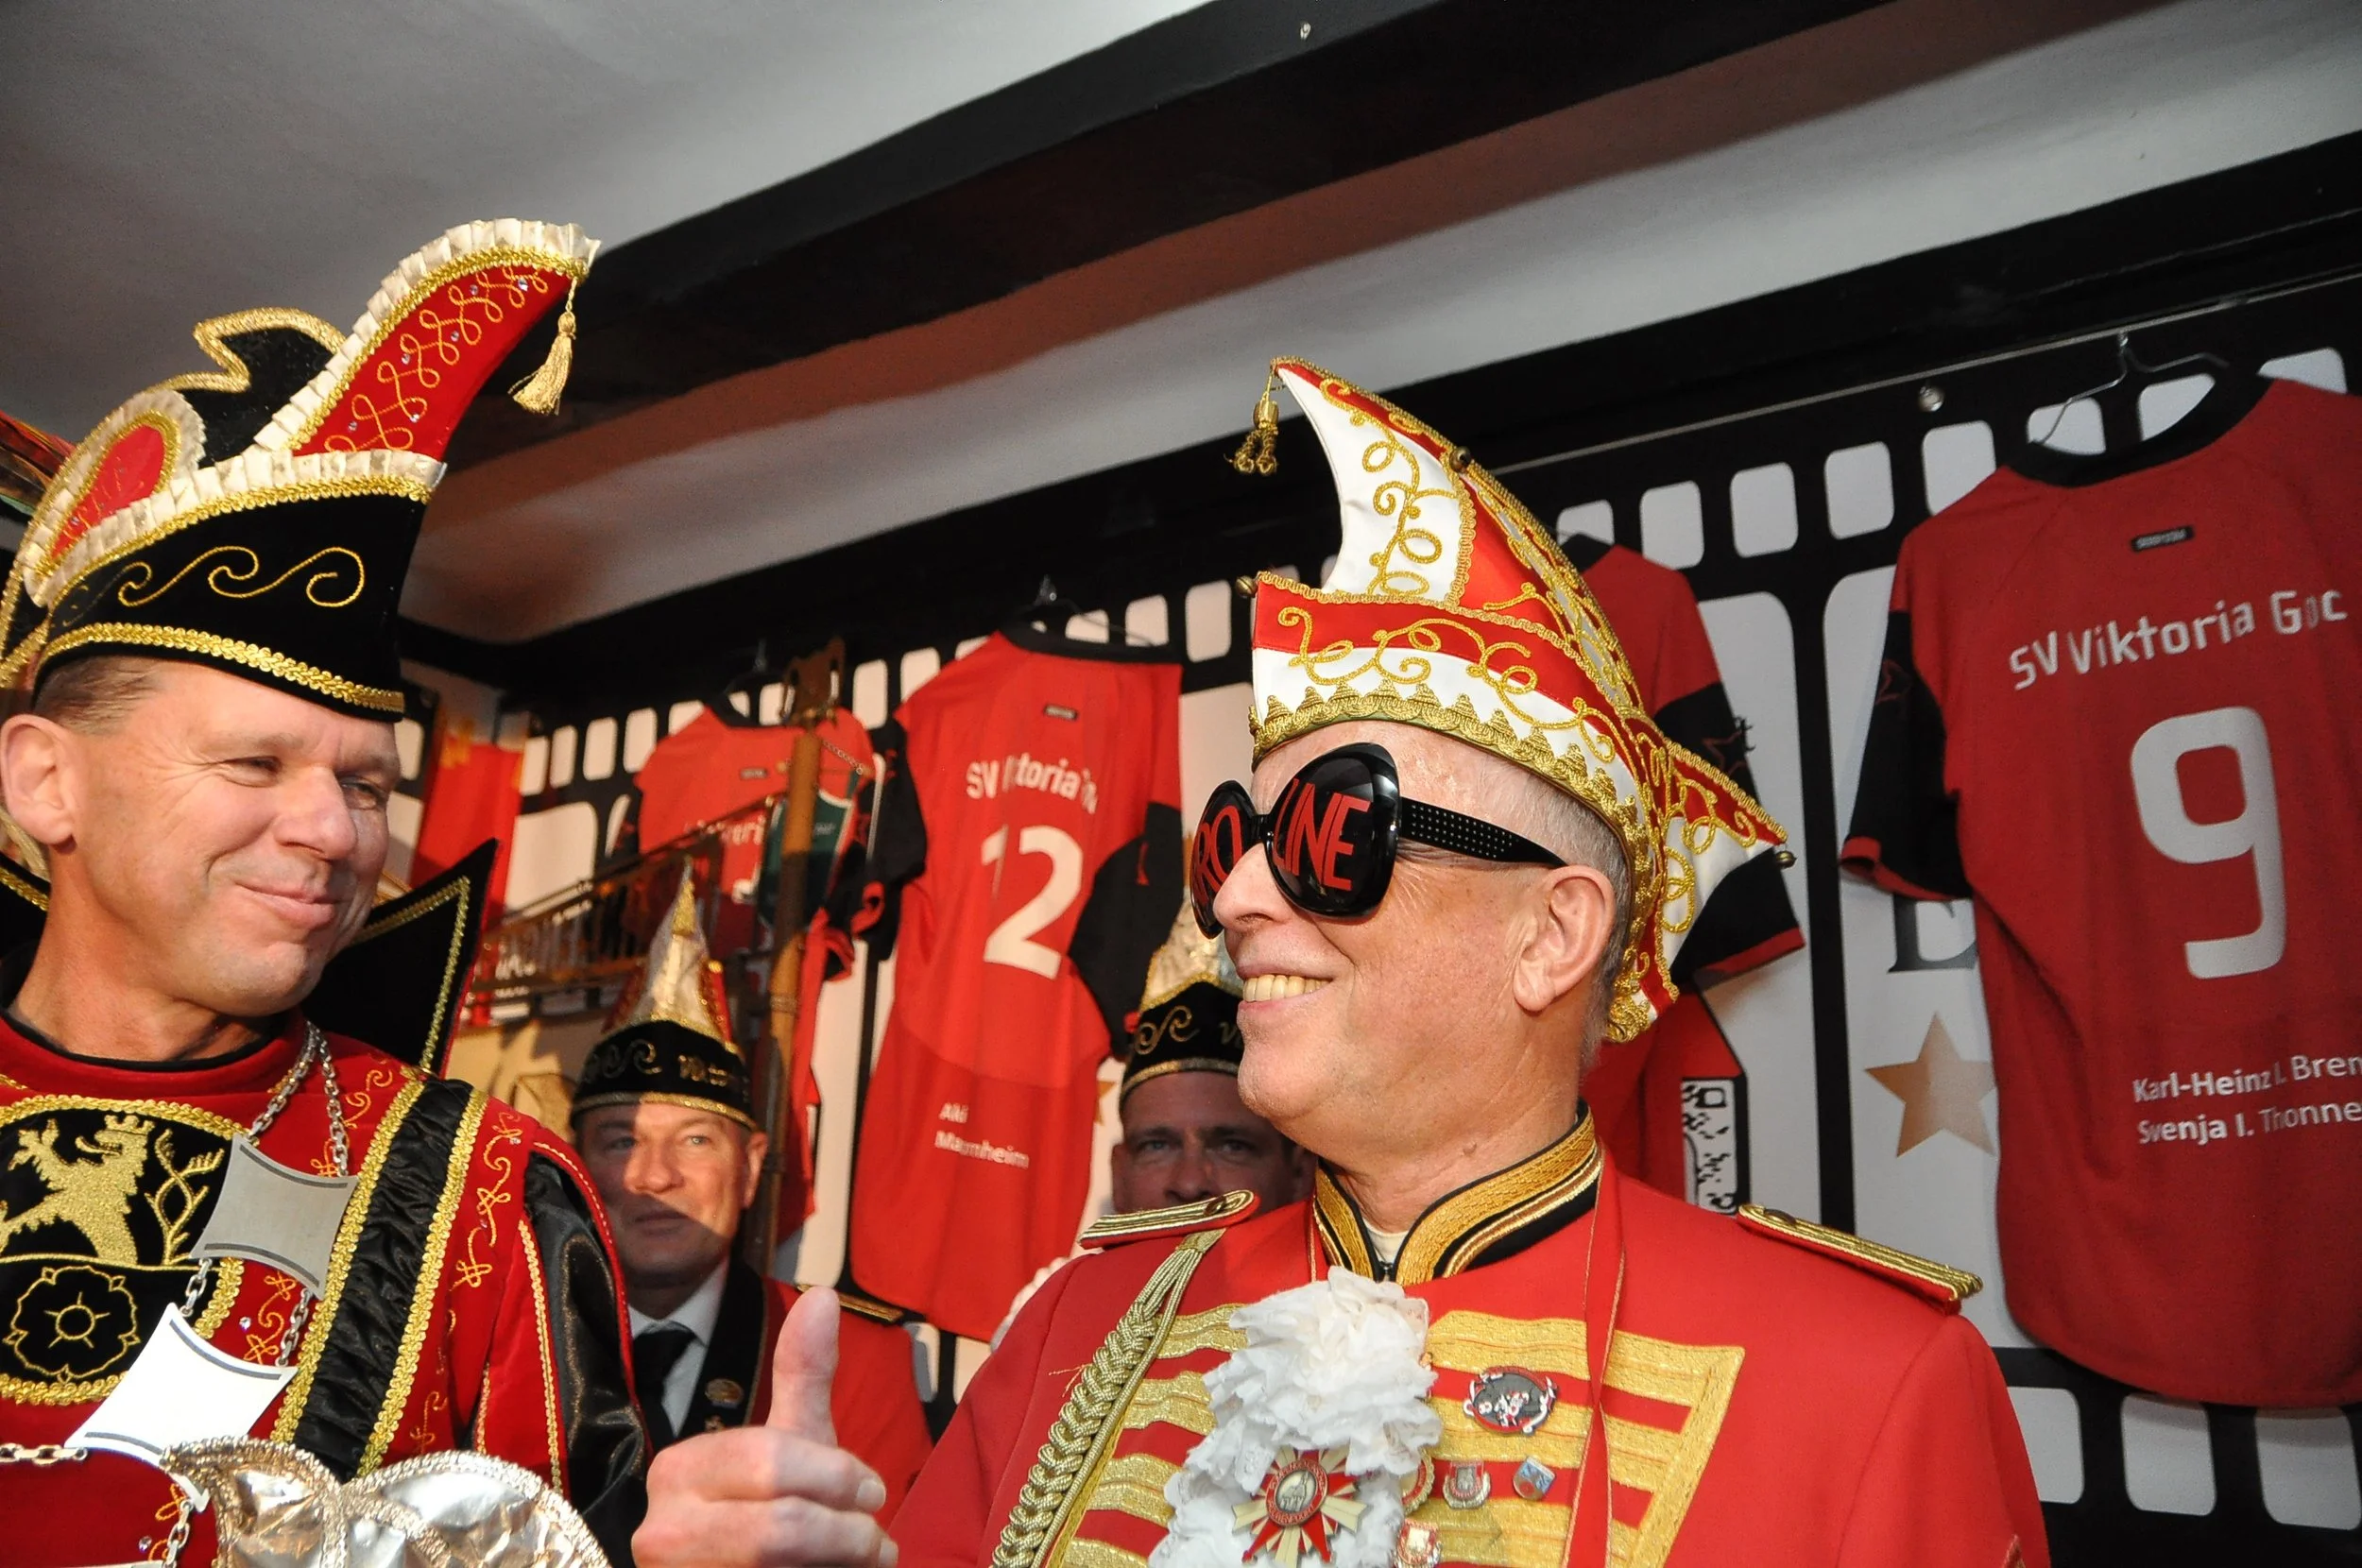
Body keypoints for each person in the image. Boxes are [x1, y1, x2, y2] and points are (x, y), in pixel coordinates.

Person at [633, 361, 2048, 1568]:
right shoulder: (1081, 1322)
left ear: (1552, 935)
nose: (1238, 895)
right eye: (1235, 835)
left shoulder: (1868, 1381)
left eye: (1331, 832)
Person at [0, 220, 648, 1566]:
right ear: (45, 781)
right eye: (254, 762)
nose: (334, 831)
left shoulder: (488, 1200)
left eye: (366, 784)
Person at [574, 871, 933, 1520]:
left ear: (750, 1168)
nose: (655, 1176)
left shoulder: (855, 1363)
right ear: (576, 1166)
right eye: (622, 1141)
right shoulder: (512, 1343)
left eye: (695, 1140)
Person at [995, 905, 1313, 1343]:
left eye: (1231, 1145)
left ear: (1298, 1172)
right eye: (1157, 1146)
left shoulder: (1345, 1333)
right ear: (1119, 1174)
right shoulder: (1047, 1323)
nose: (1190, 1184)